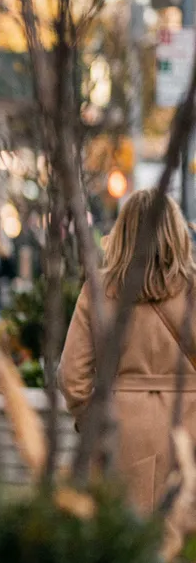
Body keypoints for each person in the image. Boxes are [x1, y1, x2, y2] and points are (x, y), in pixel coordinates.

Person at [59, 189, 196, 515]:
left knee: (128, 543)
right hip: (189, 427)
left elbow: (71, 376)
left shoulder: (99, 290)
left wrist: (90, 419)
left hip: (121, 431)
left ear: (122, 233)